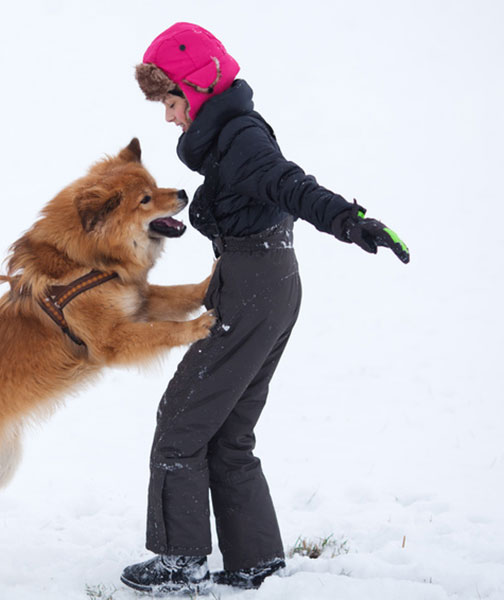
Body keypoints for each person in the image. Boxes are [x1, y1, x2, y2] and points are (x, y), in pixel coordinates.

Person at [120, 22, 409, 595]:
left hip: (253, 288)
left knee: (182, 421)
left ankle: (181, 563)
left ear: (199, 91)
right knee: (228, 430)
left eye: (172, 102)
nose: (170, 117)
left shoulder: (243, 139)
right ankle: (253, 560)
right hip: (264, 283)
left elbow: (289, 186)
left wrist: (350, 223)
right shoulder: (229, 137)